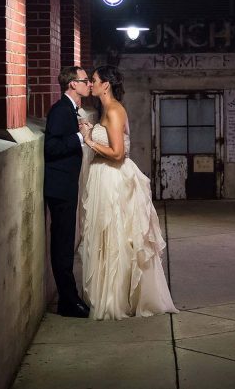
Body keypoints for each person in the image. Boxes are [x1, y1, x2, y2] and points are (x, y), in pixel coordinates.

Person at [76, 65, 178, 320]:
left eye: (95, 80)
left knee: (117, 237)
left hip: (113, 179)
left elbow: (118, 153)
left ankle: (116, 299)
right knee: (108, 238)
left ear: (106, 85)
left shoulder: (114, 110)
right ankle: (111, 295)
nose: (91, 84)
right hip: (103, 177)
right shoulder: (105, 110)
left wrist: (88, 139)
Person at [43, 65, 93, 318]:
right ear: (72, 84)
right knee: (62, 245)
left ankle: (70, 298)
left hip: (66, 185)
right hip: (59, 188)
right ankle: (68, 301)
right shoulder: (61, 110)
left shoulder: (71, 110)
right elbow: (51, 147)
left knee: (65, 244)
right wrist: (80, 137)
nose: (90, 84)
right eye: (85, 80)